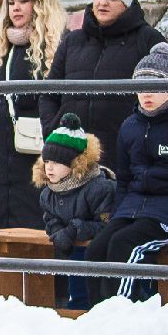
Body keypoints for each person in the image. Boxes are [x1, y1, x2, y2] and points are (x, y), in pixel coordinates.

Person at [84, 43, 168, 307]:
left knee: (124, 246)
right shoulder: (131, 126)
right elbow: (124, 180)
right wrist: (117, 215)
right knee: (95, 251)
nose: (146, 94)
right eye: (140, 87)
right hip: (134, 209)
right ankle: (95, 319)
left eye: (155, 87)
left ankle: (120, 319)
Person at [39, 0, 164, 168]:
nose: (102, 2)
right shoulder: (72, 41)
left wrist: (143, 138)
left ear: (126, 2)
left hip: (126, 157)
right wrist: (53, 131)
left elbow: (167, 96)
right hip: (72, 157)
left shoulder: (148, 40)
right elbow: (49, 94)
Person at [0, 0, 67, 229]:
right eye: (11, 2)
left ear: (40, 4)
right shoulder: (4, 47)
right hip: (5, 145)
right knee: (1, 212)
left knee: (36, 215)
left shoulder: (56, 44)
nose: (15, 8)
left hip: (40, 144)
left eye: (23, 1)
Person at [32, 113, 116, 310]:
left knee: (81, 260)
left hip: (97, 251)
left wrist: (73, 230)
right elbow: (49, 217)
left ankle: (82, 306)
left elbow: (107, 224)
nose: (50, 167)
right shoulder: (48, 193)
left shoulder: (99, 188)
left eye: (58, 162)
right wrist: (58, 230)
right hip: (71, 247)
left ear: (75, 163)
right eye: (47, 161)